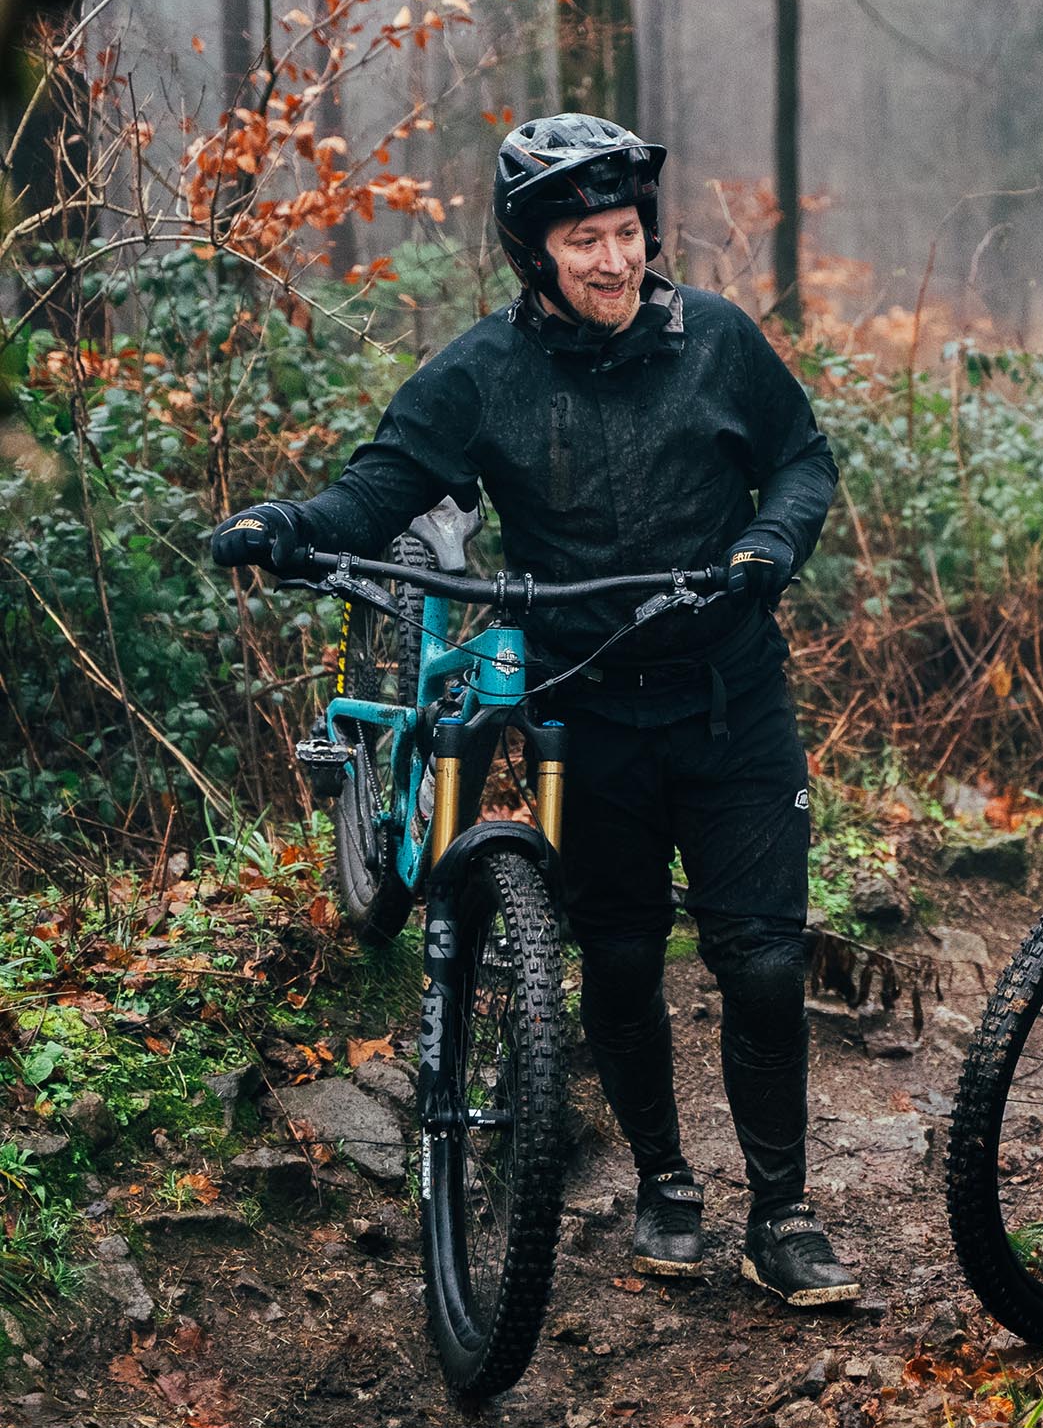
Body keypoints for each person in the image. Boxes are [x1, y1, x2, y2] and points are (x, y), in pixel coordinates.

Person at [210, 113, 858, 1306]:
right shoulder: (484, 372)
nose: (613, 261)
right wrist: (287, 527)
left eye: (625, 234)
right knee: (615, 957)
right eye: (583, 240)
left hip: (730, 701)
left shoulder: (717, 341)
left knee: (762, 961)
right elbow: (387, 484)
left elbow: (803, 458)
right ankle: (666, 1185)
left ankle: (784, 1213)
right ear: (535, 255)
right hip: (586, 711)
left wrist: (771, 541)